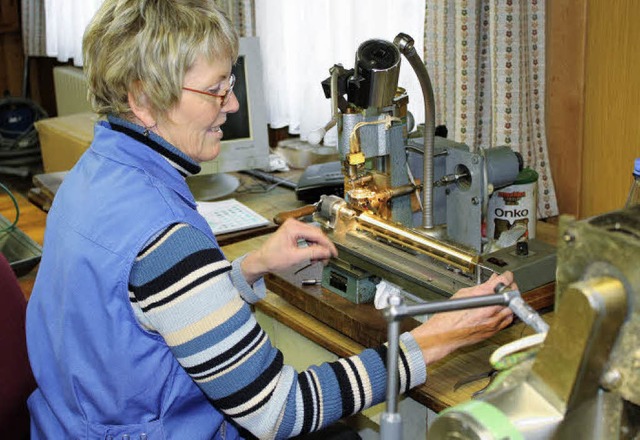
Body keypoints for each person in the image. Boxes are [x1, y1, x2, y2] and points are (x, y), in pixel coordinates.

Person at [25, 1, 515, 438]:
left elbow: (142, 321)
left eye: (230, 85)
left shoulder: (89, 176)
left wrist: (247, 269)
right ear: (143, 100)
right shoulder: (166, 238)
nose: (232, 105)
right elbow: (279, 411)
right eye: (216, 90)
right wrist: (430, 341)